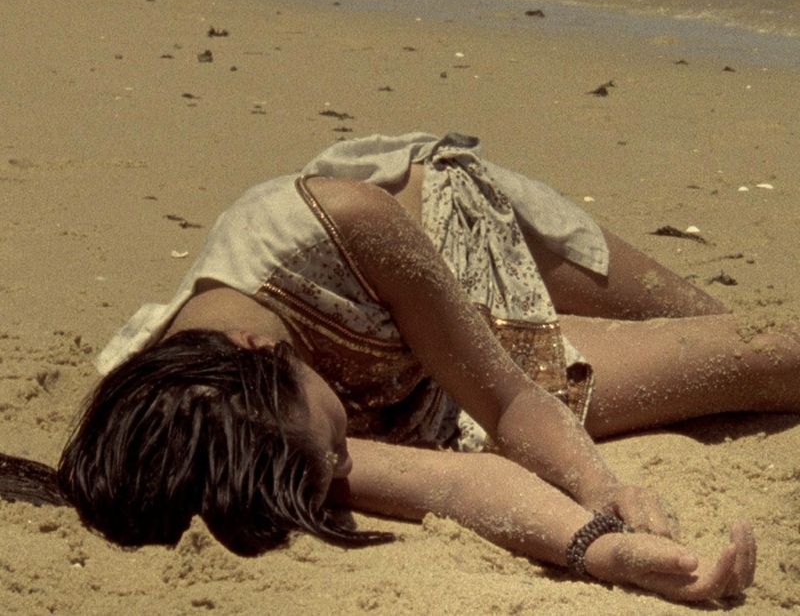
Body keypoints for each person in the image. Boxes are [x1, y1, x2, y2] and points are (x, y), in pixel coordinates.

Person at [3, 133, 797, 602]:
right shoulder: (232, 438)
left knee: (723, 326)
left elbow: (510, 402)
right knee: (757, 364)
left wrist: (600, 486)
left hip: (463, 251)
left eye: (334, 451)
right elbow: (450, 483)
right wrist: (600, 546)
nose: (346, 465)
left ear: (261, 349)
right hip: (436, 392)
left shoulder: (338, 228)